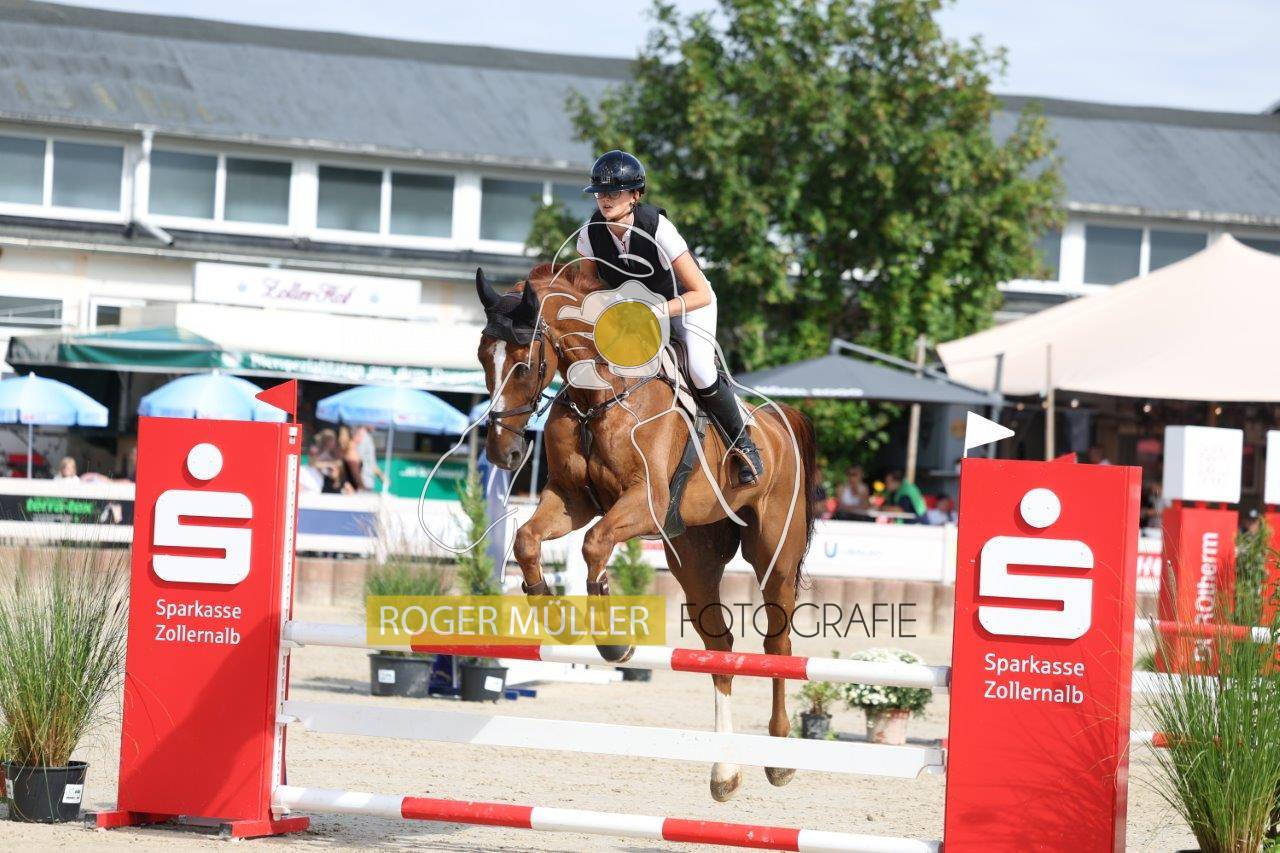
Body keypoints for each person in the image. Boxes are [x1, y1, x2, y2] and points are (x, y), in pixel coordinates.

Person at [575, 150, 763, 486]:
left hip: (686, 305)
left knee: (699, 369)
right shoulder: (591, 232)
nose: (605, 199)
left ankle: (743, 443)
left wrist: (656, 311)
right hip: (635, 314)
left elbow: (701, 293)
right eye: (600, 192)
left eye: (614, 192)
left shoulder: (658, 228)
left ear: (635, 195)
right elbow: (585, 284)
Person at [353, 425, 382, 491]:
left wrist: (380, 475)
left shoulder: (367, 437)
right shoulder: (361, 435)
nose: (375, 425)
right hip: (362, 481)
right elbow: (356, 460)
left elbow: (371, 462)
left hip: (366, 481)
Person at [337, 426, 363, 493]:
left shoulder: (349, 448)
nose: (340, 438)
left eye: (342, 435)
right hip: (347, 488)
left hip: (350, 488)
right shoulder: (347, 449)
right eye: (339, 434)